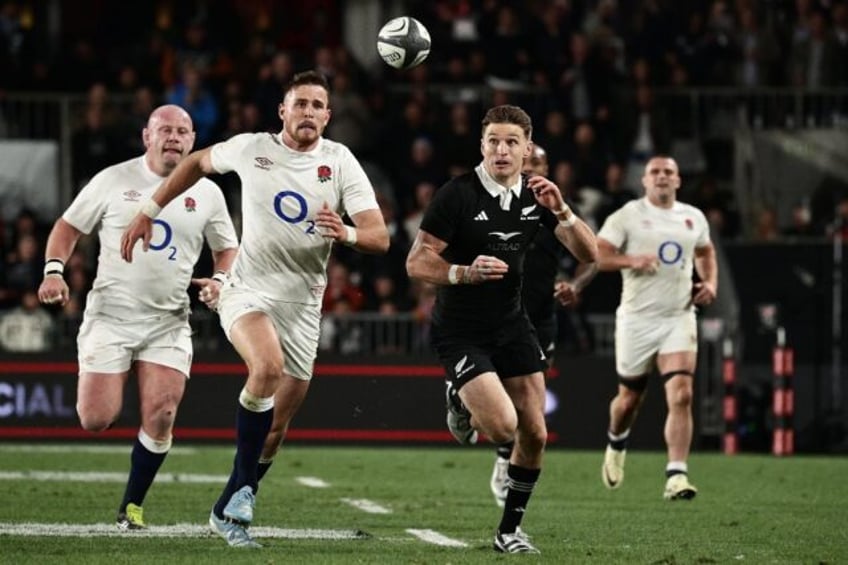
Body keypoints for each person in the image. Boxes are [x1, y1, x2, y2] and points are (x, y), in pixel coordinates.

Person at [120, 70, 390, 548]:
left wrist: (345, 232)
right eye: (299, 103)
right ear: (282, 111)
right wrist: (149, 210)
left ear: (328, 115)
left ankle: (227, 508)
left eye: (317, 105)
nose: (308, 112)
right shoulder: (251, 148)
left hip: (303, 304)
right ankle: (244, 493)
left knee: (275, 429)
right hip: (246, 290)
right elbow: (198, 163)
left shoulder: (340, 161)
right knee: (266, 368)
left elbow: (379, 236)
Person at [406, 105, 597, 554]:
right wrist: (463, 273)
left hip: (513, 324)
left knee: (536, 433)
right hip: (460, 330)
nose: (502, 149)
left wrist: (563, 210)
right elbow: (416, 261)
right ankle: (459, 393)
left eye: (512, 141)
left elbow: (590, 254)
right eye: (493, 140)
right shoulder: (457, 194)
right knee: (504, 427)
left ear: (527, 148)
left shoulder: (537, 195)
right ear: (482, 146)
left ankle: (508, 531)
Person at [37, 105, 238, 530]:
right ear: (146, 136)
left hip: (168, 320)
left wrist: (220, 279)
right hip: (111, 316)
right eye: (164, 129)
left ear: (192, 139)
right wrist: (53, 272)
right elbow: (67, 227)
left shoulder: (208, 191)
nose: (174, 137)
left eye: (183, 131)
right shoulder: (113, 179)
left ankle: (131, 506)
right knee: (95, 419)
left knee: (163, 411)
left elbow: (226, 248)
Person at [596, 155, 717, 500]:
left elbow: (706, 253)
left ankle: (676, 476)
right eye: (655, 172)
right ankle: (616, 443)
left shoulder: (693, 218)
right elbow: (597, 254)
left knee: (682, 394)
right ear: (644, 181)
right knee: (628, 400)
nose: (662, 177)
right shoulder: (627, 216)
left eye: (669, 172)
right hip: (637, 320)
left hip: (678, 317)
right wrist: (630, 259)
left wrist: (709, 282)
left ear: (678, 181)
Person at [488, 143, 598, 508]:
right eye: (527, 162)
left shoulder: (559, 210)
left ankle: (507, 459)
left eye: (538, 163)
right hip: (496, 315)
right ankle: (504, 449)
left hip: (539, 319)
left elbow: (592, 257)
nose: (532, 169)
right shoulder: (495, 202)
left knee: (530, 402)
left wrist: (575, 285)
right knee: (499, 396)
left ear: (547, 168)